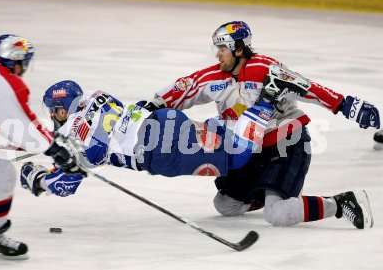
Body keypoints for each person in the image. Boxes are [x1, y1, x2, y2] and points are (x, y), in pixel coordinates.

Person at [142, 21, 380, 229]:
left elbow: (307, 88)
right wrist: (151, 106)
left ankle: (340, 202)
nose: (218, 54)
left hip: (286, 143)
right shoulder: (214, 77)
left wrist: (345, 105)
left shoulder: (265, 68)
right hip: (250, 150)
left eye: (223, 48)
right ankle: (270, 192)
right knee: (226, 205)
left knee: (278, 214)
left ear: (238, 48)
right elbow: (185, 88)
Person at [19, 78, 304, 198]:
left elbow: (68, 183)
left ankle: (267, 100)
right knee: (221, 135)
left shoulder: (72, 132)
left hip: (162, 152)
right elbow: (100, 133)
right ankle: (257, 112)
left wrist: (38, 178)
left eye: (54, 112)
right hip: (165, 121)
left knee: (238, 157)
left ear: (61, 109)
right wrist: (62, 152)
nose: (53, 117)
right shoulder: (94, 95)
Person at [0, 34, 83, 259]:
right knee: (1, 175)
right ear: (18, 62)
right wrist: (56, 151)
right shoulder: (4, 84)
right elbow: (22, 126)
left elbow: (8, 122)